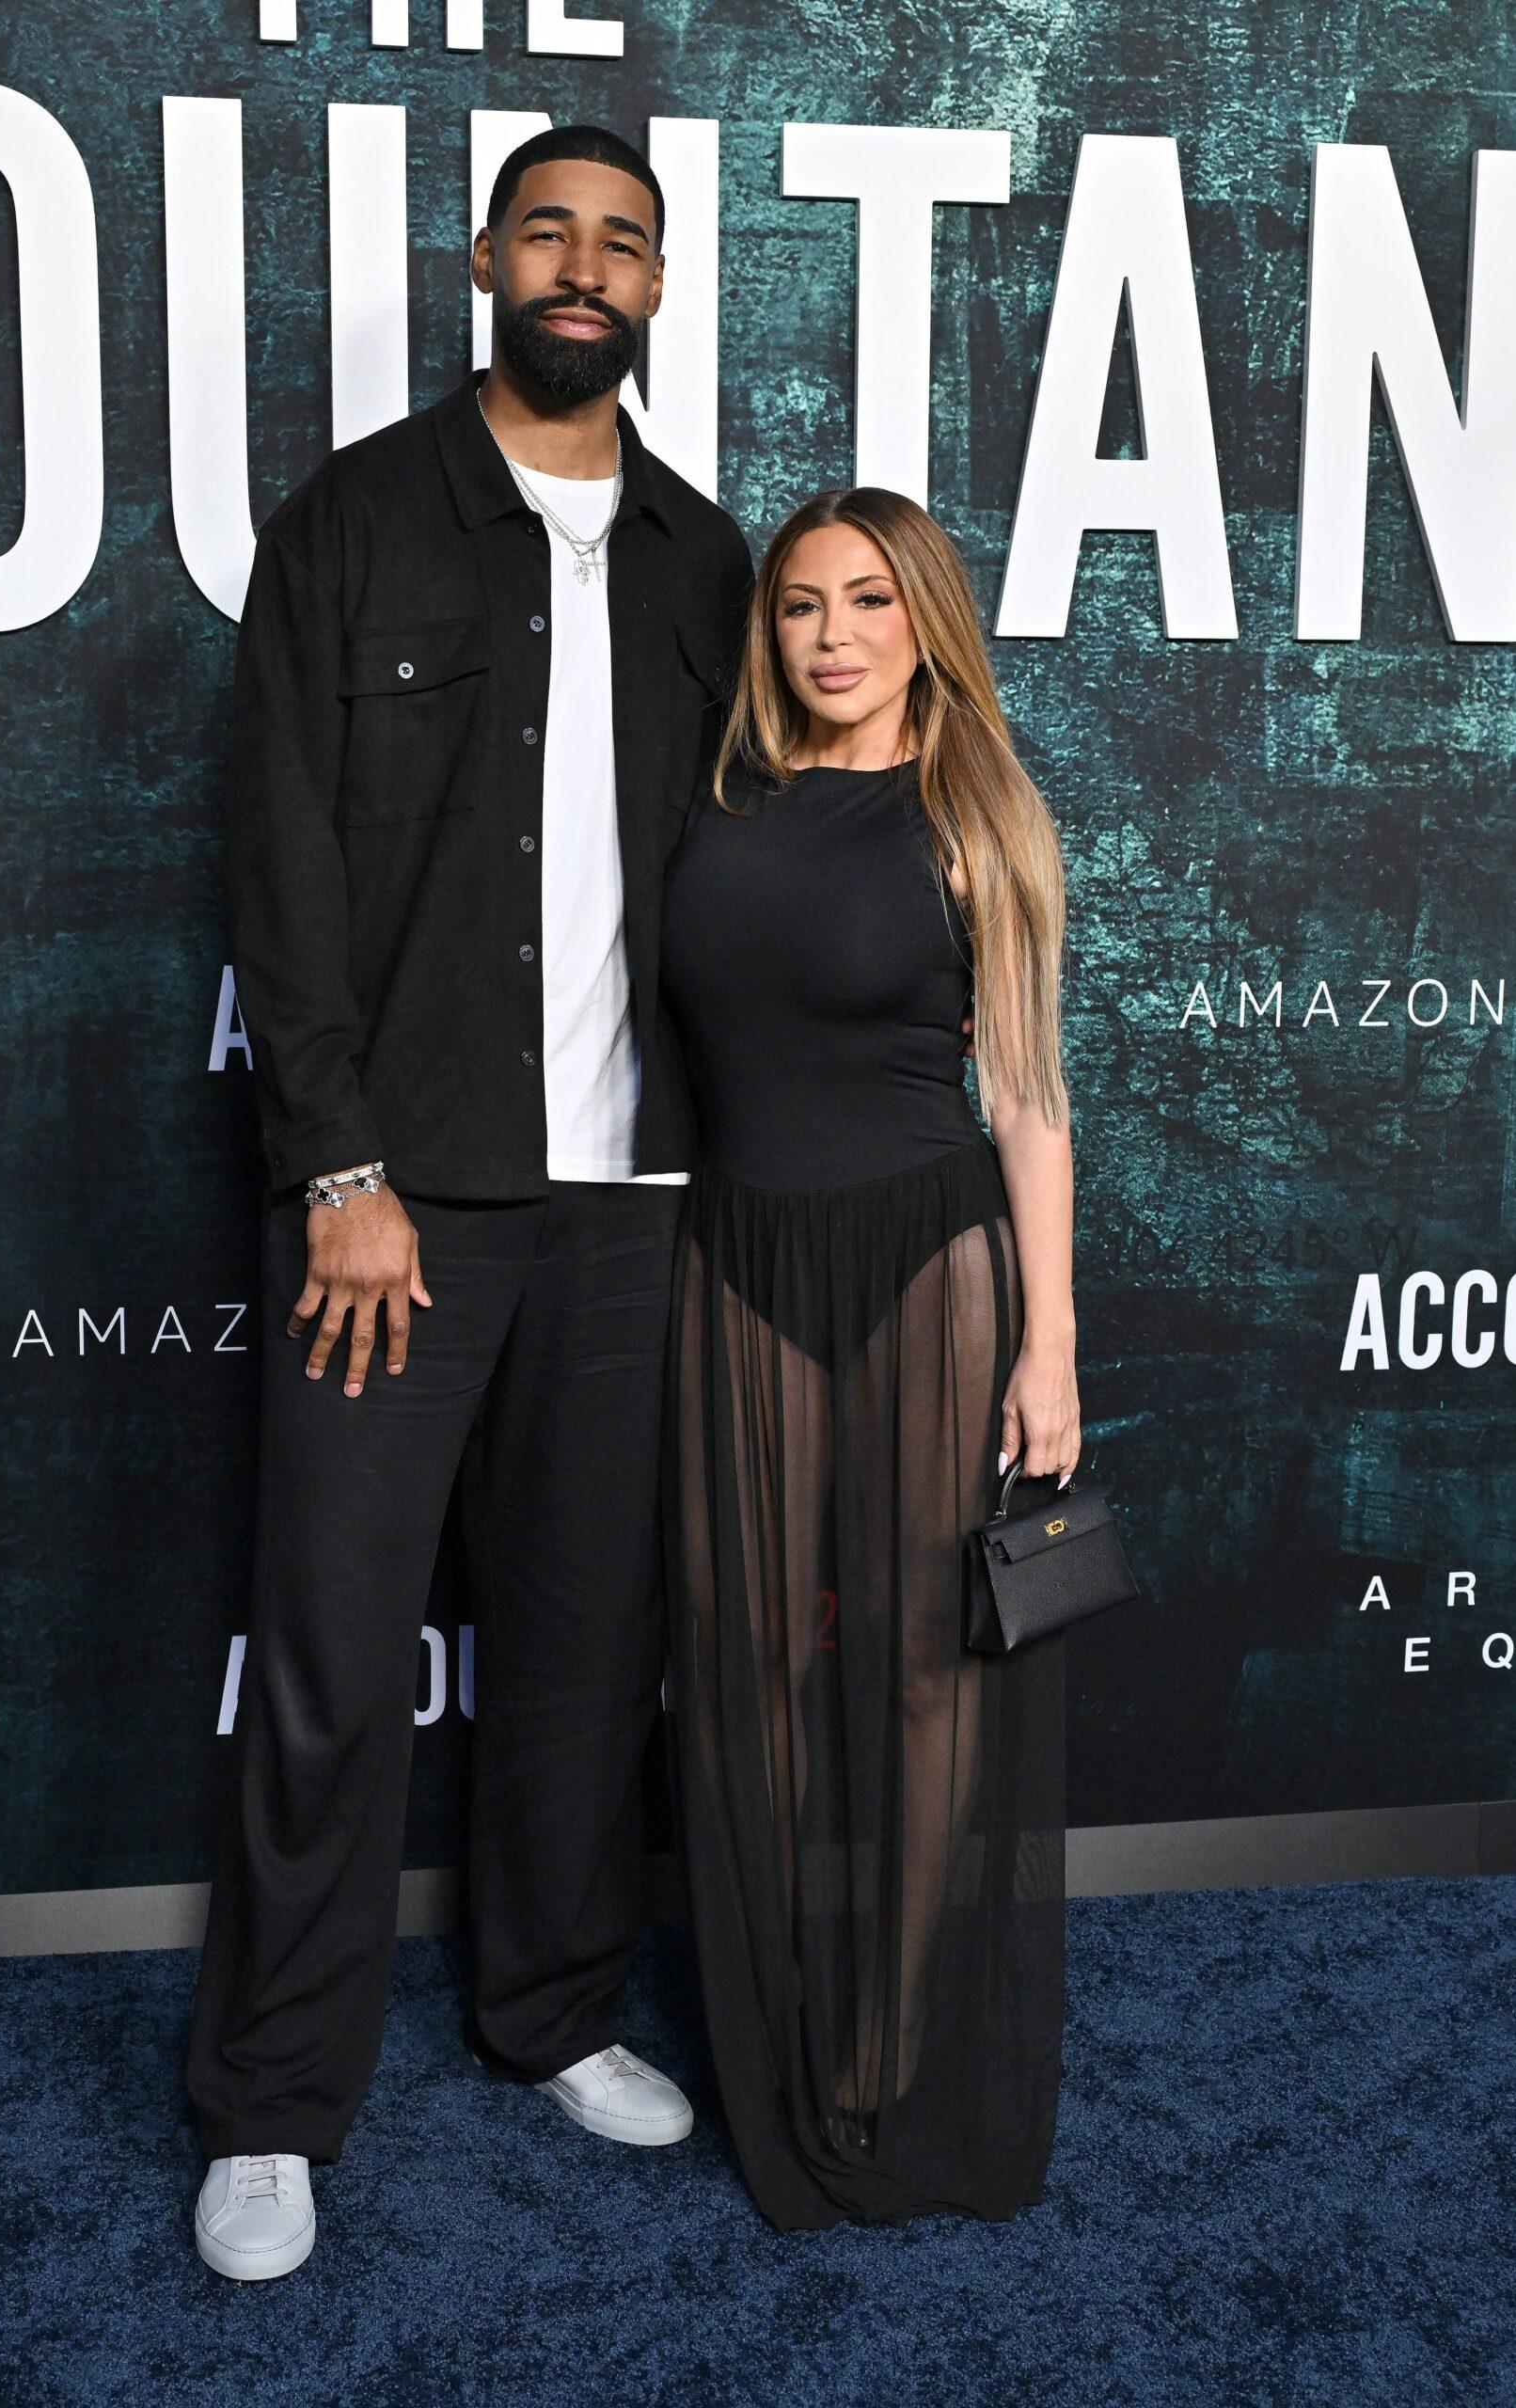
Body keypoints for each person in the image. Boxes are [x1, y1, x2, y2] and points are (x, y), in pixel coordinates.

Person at [186, 123, 754, 2281]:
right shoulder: (354, 522)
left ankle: (551, 2011)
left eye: (622, 239)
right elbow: (281, 871)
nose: (583, 265)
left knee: (585, 1650)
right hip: (392, 1204)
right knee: (332, 1655)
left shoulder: (711, 565)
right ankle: (269, 2097)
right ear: (486, 261)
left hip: (639, 1205)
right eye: (550, 231)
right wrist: (336, 1162)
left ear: (657, 285)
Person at [658, 486, 1078, 2231]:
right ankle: (770, 2031)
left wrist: (1052, 1346)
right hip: (740, 1255)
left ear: (926, 626)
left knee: (919, 1670)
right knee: (748, 1669)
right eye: (802, 608)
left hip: (928, 1255)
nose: (831, 637)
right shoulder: (715, 801)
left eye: (868, 606)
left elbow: (1030, 1096)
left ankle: (888, 2043)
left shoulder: (971, 807)